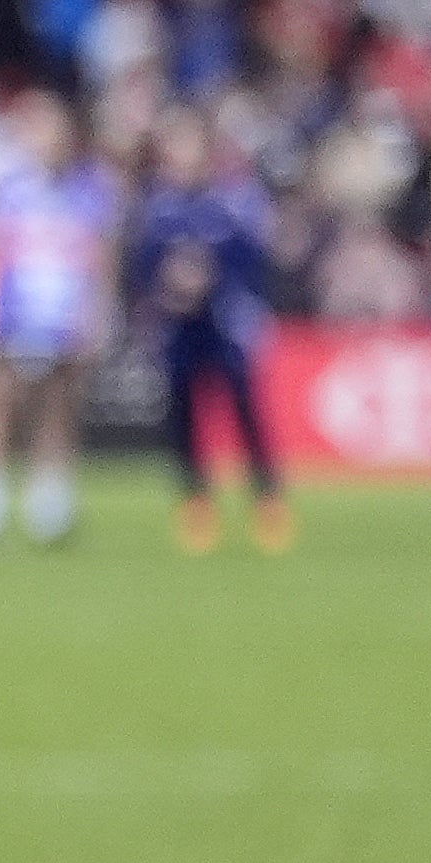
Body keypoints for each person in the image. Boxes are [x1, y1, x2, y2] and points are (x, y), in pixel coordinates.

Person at [125, 106, 288, 556]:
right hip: (178, 330)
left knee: (244, 413)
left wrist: (207, 279)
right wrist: (167, 289)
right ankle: (196, 504)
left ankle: (267, 499)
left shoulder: (230, 205)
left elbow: (251, 265)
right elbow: (141, 269)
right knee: (184, 420)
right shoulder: (157, 211)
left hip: (224, 327)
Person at [0, 89, 113, 548]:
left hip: (64, 316)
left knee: (58, 406)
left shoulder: (89, 188)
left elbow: (100, 259)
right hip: (12, 314)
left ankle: (51, 501)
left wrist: (98, 314)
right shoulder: (6, 186)